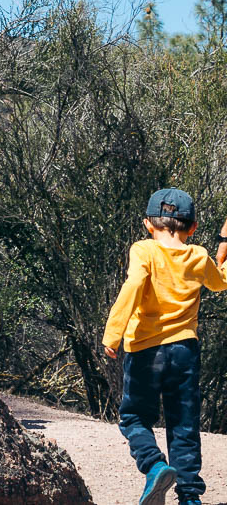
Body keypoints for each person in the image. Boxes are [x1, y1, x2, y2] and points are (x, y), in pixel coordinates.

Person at [102, 188, 227, 505]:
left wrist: (113, 333)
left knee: (134, 419)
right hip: (184, 350)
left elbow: (133, 286)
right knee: (183, 423)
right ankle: (189, 497)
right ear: (193, 227)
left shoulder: (143, 251)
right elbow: (220, 282)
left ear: (148, 224)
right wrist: (224, 250)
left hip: (145, 349)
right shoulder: (198, 256)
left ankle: (155, 465)